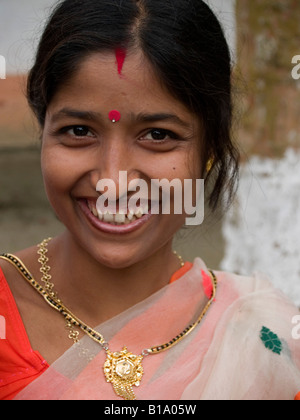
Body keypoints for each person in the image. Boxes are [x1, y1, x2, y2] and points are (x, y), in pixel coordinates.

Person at [0, 0, 299, 401]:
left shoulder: (265, 340)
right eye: (78, 130)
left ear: (210, 149)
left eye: (158, 135)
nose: (112, 181)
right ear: (43, 131)